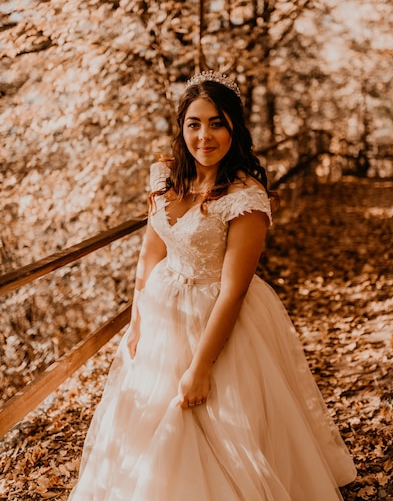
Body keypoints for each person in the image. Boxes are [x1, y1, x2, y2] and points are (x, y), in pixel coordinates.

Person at [69, 71, 356, 501]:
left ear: (234, 128)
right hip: (163, 311)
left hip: (218, 320)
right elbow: (150, 252)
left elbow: (234, 290)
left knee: (214, 423)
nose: (205, 136)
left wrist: (200, 369)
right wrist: (137, 319)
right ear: (181, 126)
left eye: (217, 123)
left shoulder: (245, 197)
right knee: (147, 423)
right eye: (194, 123)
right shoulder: (164, 177)